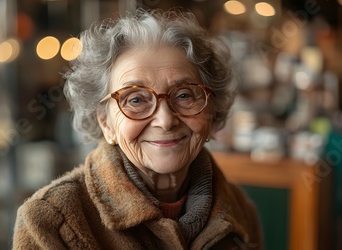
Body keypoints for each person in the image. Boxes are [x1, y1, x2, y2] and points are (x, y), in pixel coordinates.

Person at [13, 9, 262, 249]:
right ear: (105, 122)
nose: (165, 120)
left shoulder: (238, 209)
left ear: (212, 110)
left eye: (184, 95)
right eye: (135, 100)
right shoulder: (50, 221)